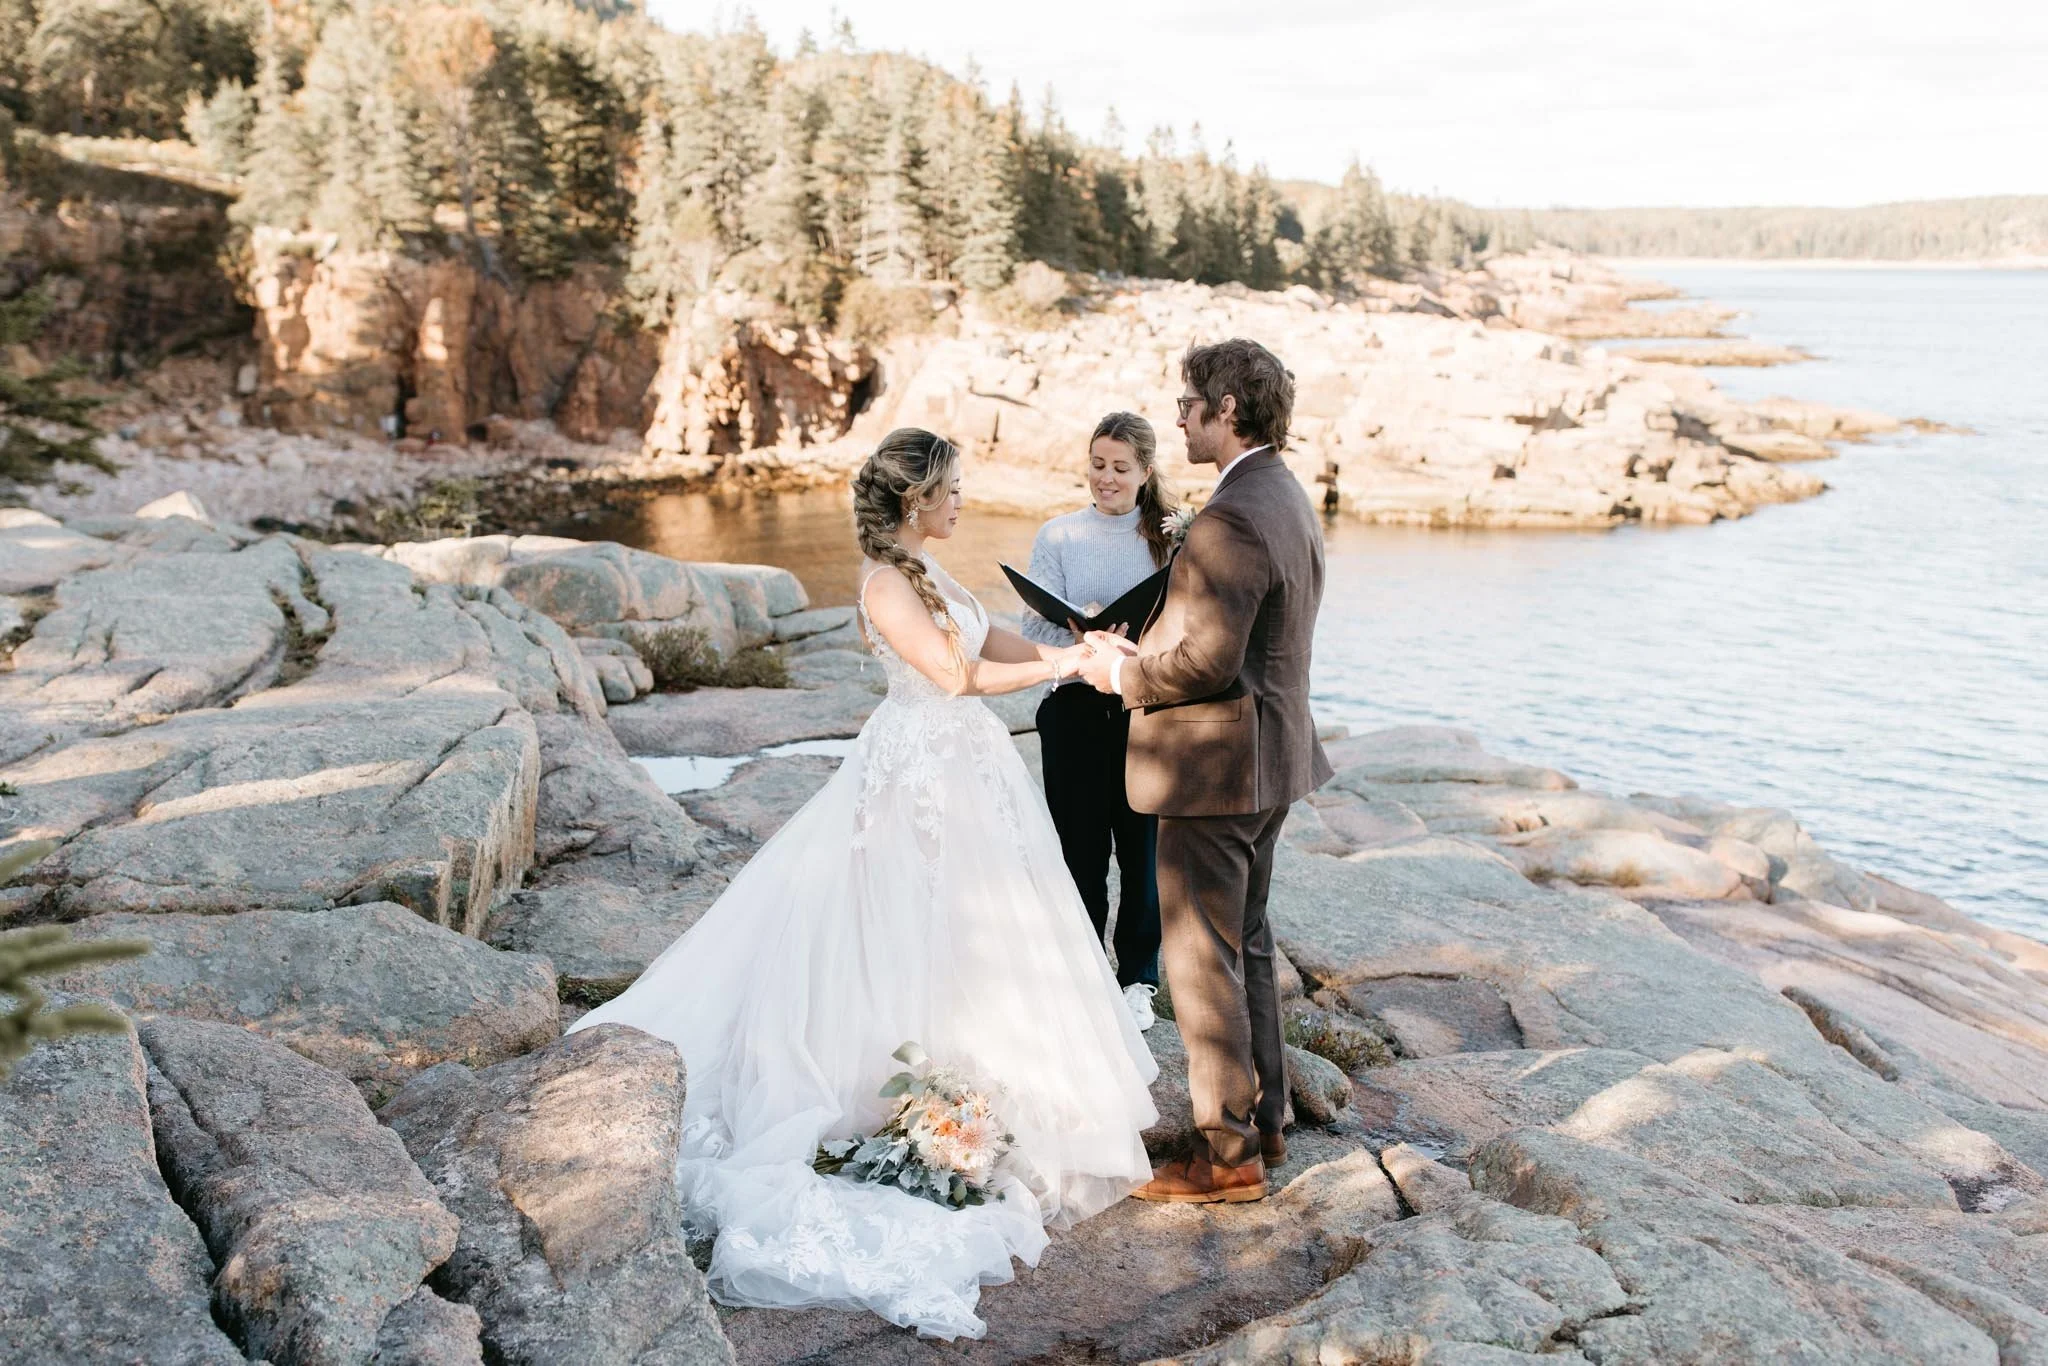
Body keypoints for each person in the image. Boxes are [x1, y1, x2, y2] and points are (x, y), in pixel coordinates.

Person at [570, 428, 1158, 1340]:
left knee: (975, 930)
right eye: (952, 490)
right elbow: (955, 674)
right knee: (899, 922)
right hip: (918, 776)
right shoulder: (886, 584)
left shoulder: (933, 571)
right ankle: (890, 1082)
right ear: (916, 499)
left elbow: (986, 632)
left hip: (967, 772)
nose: (963, 502)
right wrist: (1065, 668)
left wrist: (1081, 641)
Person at [1078, 338, 1333, 1206]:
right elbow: (1241, 641)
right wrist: (1143, 643)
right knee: (1246, 942)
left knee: (1199, 961)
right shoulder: (1282, 494)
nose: (1180, 415)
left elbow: (1212, 664)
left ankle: (1226, 1159)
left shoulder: (1229, 516)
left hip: (1217, 770)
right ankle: (1266, 1122)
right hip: (1269, 759)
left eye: (1190, 402)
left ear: (1228, 408)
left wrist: (1119, 675)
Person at [1020, 412, 1179, 1031]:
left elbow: (1185, 626)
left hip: (1145, 709)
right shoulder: (1058, 535)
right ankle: (1085, 967)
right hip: (1073, 709)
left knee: (1141, 850)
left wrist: (1132, 638)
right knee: (1078, 849)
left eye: (1119, 468)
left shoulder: (1169, 537)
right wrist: (1076, 626)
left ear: (1144, 472)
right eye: (1097, 465)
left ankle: (1138, 978)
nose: (1105, 478)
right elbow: (1031, 625)